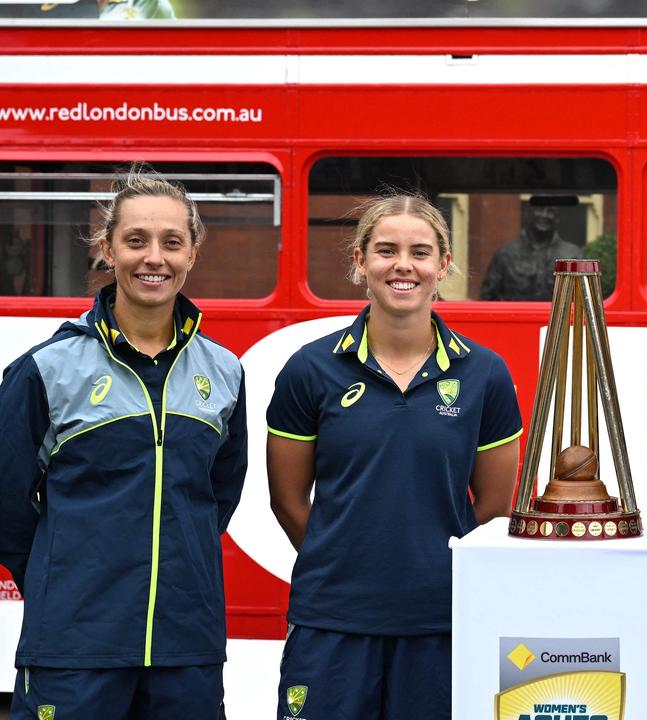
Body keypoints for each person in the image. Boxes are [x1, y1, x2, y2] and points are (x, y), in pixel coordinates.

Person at [0, 169, 248, 719]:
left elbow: (215, 498)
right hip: (74, 644)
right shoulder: (47, 369)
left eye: (171, 242)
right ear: (106, 248)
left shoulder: (224, 371)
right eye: (135, 240)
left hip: (187, 644)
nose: (153, 257)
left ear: (193, 252)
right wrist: (55, 575)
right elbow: (5, 504)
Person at [267, 194, 522, 719]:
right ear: (360, 263)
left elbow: (494, 506)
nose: (403, 265)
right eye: (386, 250)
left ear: (442, 265)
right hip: (331, 622)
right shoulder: (310, 370)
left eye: (420, 252)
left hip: (439, 623)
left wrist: (427, 569)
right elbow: (288, 500)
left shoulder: (485, 375)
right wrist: (345, 562)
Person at [480, 205, 580, 300]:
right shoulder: (505, 254)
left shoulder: (572, 255)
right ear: (527, 213)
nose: (544, 215)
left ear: (557, 218)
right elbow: (487, 297)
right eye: (539, 209)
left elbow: (582, 301)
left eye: (550, 211)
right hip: (515, 317)